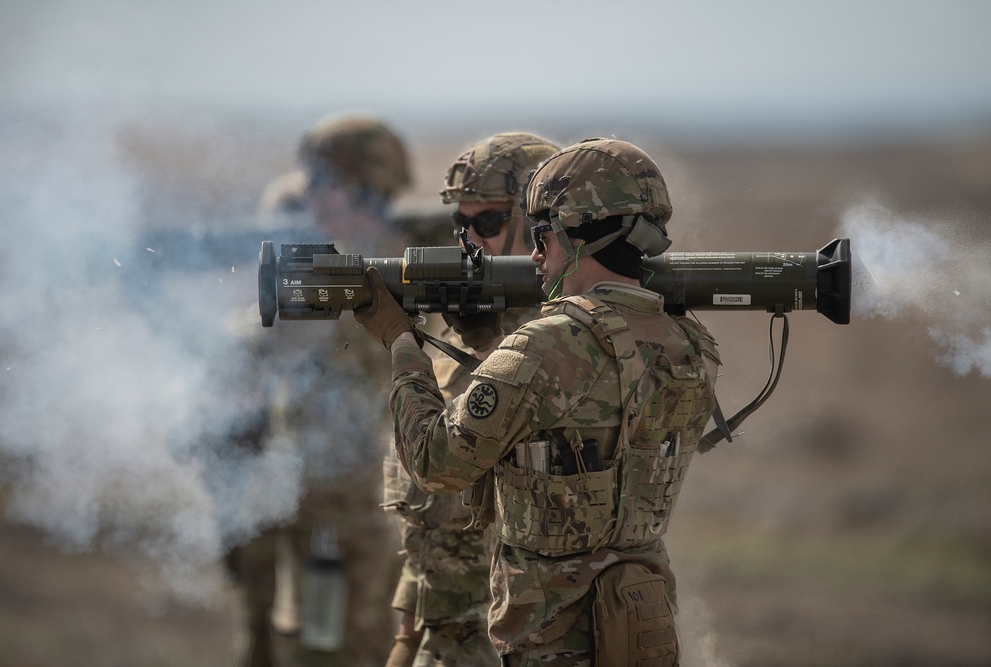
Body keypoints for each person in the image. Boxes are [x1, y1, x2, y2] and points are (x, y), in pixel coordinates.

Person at [355, 138, 722, 666]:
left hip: (548, 638)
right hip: (631, 627)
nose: (533, 253)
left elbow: (436, 463)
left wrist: (400, 343)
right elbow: (575, 420)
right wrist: (488, 348)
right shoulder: (690, 342)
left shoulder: (544, 346)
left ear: (574, 235)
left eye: (542, 235)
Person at [228, 113, 412, 667]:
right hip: (285, 485)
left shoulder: (401, 266)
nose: (311, 194)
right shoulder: (304, 239)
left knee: (344, 643)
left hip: (353, 502)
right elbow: (264, 341)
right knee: (278, 638)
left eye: (325, 183)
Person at [381, 132, 560, 667]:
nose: (469, 241)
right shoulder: (451, 345)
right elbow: (427, 530)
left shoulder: (558, 351)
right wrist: (405, 644)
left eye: (488, 223)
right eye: (461, 224)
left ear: (538, 227)